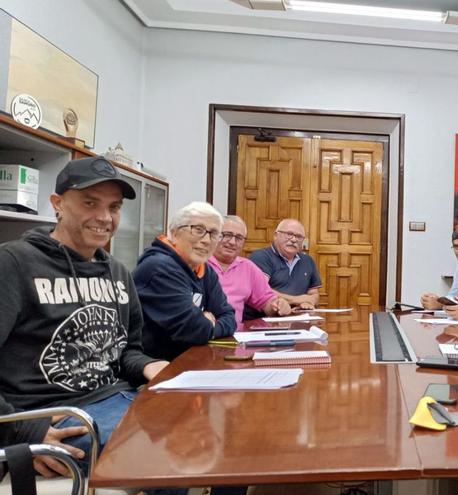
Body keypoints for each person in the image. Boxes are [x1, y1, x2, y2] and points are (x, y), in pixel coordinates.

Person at [0, 156, 168, 478]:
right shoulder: (14, 263)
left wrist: (150, 365)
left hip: (117, 399)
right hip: (52, 415)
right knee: (165, 448)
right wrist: (23, 433)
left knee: (208, 429)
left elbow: (126, 351)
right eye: (90, 203)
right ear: (57, 203)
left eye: (114, 207)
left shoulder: (117, 272)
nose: (104, 218)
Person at [134, 201, 236, 361]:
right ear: (174, 233)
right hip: (155, 371)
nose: (207, 240)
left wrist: (208, 324)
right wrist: (206, 323)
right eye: (198, 230)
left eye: (214, 233)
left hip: (193, 361)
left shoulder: (205, 269)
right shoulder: (159, 267)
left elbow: (229, 316)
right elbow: (195, 329)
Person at [208, 215, 291, 326]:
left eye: (239, 238)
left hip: (234, 336)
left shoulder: (248, 267)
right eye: (227, 235)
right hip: (201, 332)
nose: (232, 242)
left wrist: (278, 305)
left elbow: (266, 301)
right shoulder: (198, 263)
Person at [248, 218, 322, 318]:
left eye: (299, 236)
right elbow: (262, 292)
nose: (293, 239)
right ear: (276, 235)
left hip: (297, 319)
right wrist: (297, 300)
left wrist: (307, 304)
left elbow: (314, 295)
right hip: (263, 320)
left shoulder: (308, 261)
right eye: (289, 234)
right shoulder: (261, 257)